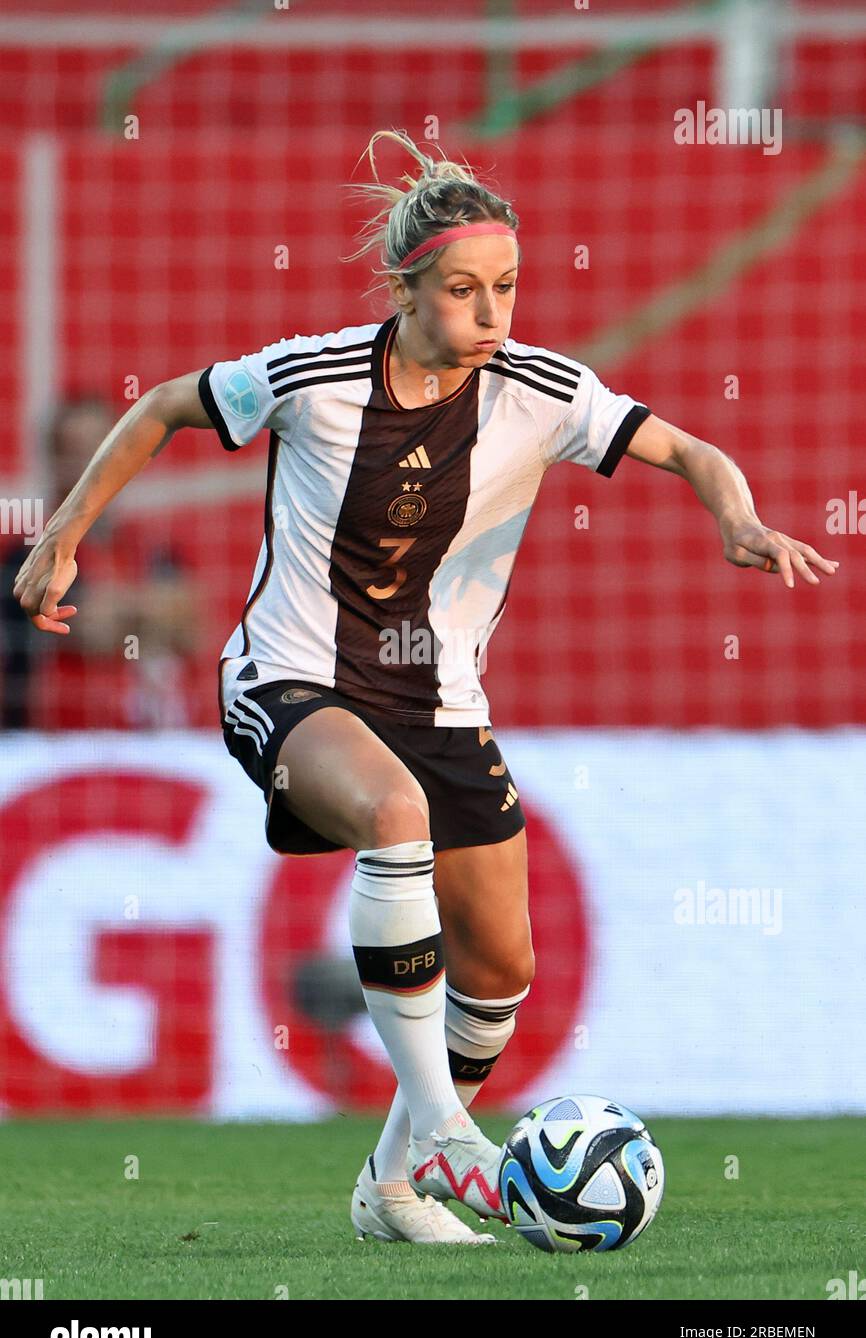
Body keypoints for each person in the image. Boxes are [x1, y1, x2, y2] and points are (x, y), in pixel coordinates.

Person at [12, 128, 840, 1245]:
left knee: (500, 965)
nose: (490, 312)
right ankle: (451, 1132)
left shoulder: (542, 391)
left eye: (504, 286)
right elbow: (162, 403)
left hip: (442, 701)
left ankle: (390, 1183)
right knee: (392, 819)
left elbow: (691, 450)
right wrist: (63, 534)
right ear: (405, 290)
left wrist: (736, 517)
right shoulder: (310, 376)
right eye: (462, 290)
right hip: (290, 679)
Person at [2, 395, 200, 729]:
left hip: (149, 740)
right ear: (56, 460)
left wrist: (120, 610)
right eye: (79, 449)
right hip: (55, 742)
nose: (94, 460)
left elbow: (190, 626)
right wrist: (147, 611)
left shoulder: (149, 546)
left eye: (104, 445)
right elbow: (89, 625)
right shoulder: (29, 551)